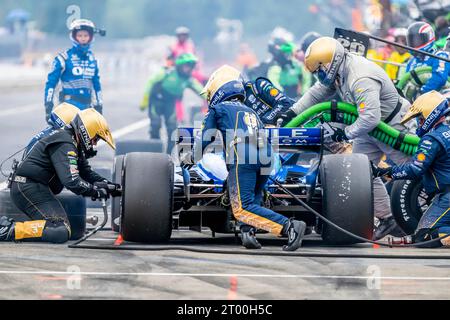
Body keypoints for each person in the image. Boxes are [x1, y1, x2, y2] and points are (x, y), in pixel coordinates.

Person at [278, 37, 412, 240]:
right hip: (368, 129)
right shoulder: (340, 71)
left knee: (413, 172)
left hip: (392, 125)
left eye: (320, 71)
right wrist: (292, 112)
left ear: (330, 63)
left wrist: (346, 133)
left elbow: (371, 117)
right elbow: (316, 94)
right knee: (363, 173)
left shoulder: (359, 77)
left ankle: (431, 215)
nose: (319, 77)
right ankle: (388, 218)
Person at [181, 65, 307, 251]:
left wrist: (190, 158)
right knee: (253, 198)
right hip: (266, 157)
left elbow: (205, 140)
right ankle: (248, 232)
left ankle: (289, 227)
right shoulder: (252, 111)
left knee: (242, 207)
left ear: (218, 90)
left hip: (243, 155)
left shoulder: (218, 109)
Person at [2, 109, 120, 243]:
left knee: (69, 229)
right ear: (87, 131)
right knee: (59, 230)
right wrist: (95, 191)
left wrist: (111, 186)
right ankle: (6, 230)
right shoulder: (65, 143)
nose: (94, 143)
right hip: (28, 187)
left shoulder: (71, 141)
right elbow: (72, 181)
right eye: (96, 138)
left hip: (35, 187)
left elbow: (86, 173)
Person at [372, 91, 450, 247]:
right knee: (420, 234)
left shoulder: (432, 138)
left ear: (430, 115)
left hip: (447, 196)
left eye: (421, 119)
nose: (419, 124)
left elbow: (416, 169)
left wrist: (387, 172)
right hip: (445, 195)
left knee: (424, 237)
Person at [140, 53, 204, 154]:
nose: (189, 69)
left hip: (169, 103)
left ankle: (168, 155)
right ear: (179, 66)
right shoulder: (167, 72)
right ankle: (154, 153)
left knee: (172, 129)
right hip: (156, 101)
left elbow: (202, 91)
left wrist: (213, 99)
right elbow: (150, 82)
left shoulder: (189, 80)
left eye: (191, 66)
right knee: (155, 125)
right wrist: (144, 101)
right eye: (187, 66)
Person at [44, 19, 103, 123]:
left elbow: (97, 86)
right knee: (67, 138)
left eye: (86, 36)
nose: (83, 39)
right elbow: (51, 83)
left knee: (91, 138)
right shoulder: (63, 58)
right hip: (67, 109)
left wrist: (99, 105)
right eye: (80, 36)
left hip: (88, 109)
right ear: (74, 36)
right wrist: (48, 105)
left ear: (91, 37)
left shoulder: (92, 59)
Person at [405, 21, 450, 96]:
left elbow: (439, 78)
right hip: (418, 101)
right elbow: (406, 81)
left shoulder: (440, 55)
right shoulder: (411, 62)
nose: (414, 43)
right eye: (411, 40)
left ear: (429, 37)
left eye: (417, 40)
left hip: (441, 98)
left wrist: (422, 91)